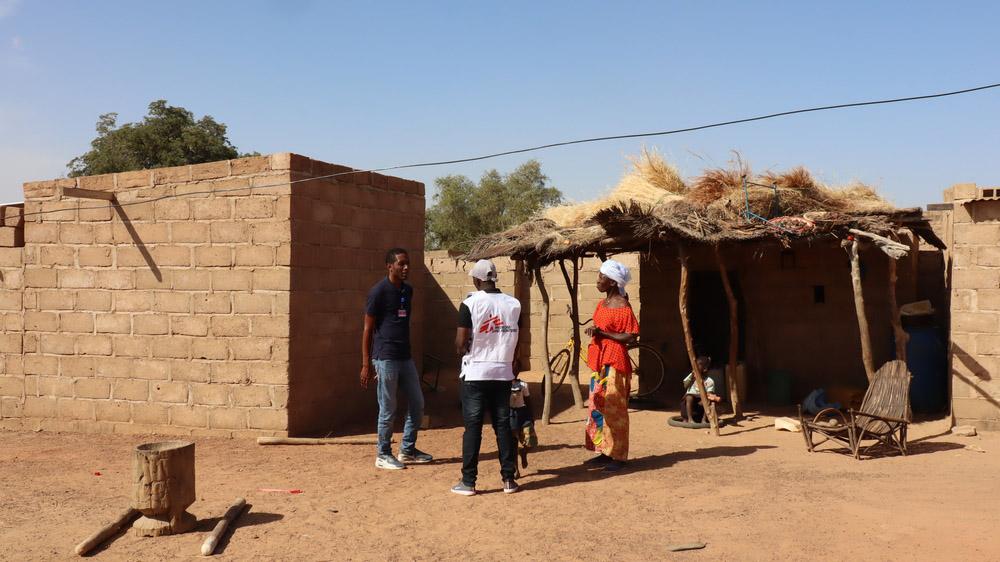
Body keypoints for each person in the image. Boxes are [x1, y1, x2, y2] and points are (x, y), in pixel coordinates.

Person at [451, 259, 522, 496]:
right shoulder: (514, 304)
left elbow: (461, 344)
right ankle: (509, 480)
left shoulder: (470, 304)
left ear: (477, 279)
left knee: (473, 427)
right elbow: (517, 338)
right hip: (503, 372)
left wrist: (466, 346)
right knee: (502, 425)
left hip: (476, 373)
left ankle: (468, 482)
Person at [360, 248, 432, 470]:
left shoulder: (407, 291)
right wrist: (366, 364)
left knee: (417, 403)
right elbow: (367, 329)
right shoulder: (378, 292)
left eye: (407, 263)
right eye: (401, 264)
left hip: (405, 357)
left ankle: (407, 450)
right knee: (388, 408)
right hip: (386, 357)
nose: (406, 267)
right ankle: (383, 454)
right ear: (389, 266)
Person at [583, 259, 640, 473]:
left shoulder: (623, 307)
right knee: (597, 406)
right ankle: (603, 450)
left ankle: (618, 455)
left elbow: (631, 336)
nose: (598, 280)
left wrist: (603, 334)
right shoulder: (602, 304)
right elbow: (601, 326)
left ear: (613, 282)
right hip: (599, 360)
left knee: (615, 408)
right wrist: (594, 330)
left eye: (601, 277)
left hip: (615, 361)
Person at [509, 377, 537, 478]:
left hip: (523, 414)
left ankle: (524, 452)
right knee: (513, 443)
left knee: (531, 441)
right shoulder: (502, 385)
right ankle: (515, 469)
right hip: (510, 415)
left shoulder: (523, 385)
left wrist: (532, 418)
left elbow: (528, 401)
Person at [680, 356, 722, 423]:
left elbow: (709, 394)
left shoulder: (709, 381)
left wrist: (709, 396)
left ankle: (704, 419)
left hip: (701, 403)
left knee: (708, 400)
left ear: (705, 369)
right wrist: (691, 378)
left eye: (698, 365)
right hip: (690, 403)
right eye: (695, 365)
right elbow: (685, 385)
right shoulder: (691, 376)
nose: (695, 367)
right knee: (689, 397)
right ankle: (689, 419)